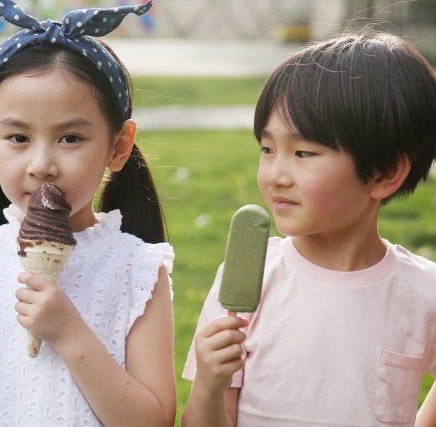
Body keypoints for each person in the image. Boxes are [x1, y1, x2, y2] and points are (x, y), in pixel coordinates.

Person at [0, 0, 176, 426]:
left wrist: (70, 332)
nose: (41, 165)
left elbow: (153, 420)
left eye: (70, 138)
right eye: (18, 138)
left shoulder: (137, 271)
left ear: (119, 146)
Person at [182, 31, 436, 426]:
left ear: (384, 173)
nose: (276, 175)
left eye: (303, 153)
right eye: (267, 149)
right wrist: (209, 386)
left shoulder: (423, 294)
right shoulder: (256, 280)